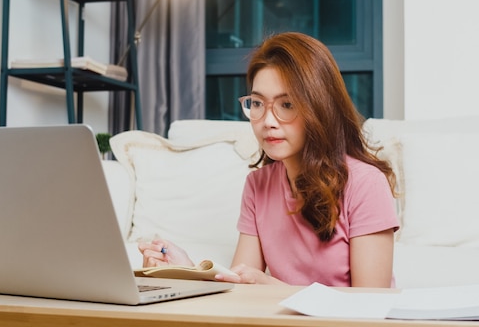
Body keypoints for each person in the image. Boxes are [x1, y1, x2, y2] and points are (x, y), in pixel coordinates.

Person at [138, 32, 399, 287]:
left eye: (287, 105)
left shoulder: (366, 183)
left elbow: (370, 306)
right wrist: (187, 271)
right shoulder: (257, 184)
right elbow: (242, 285)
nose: (268, 121)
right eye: (258, 104)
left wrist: (274, 290)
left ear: (320, 108)